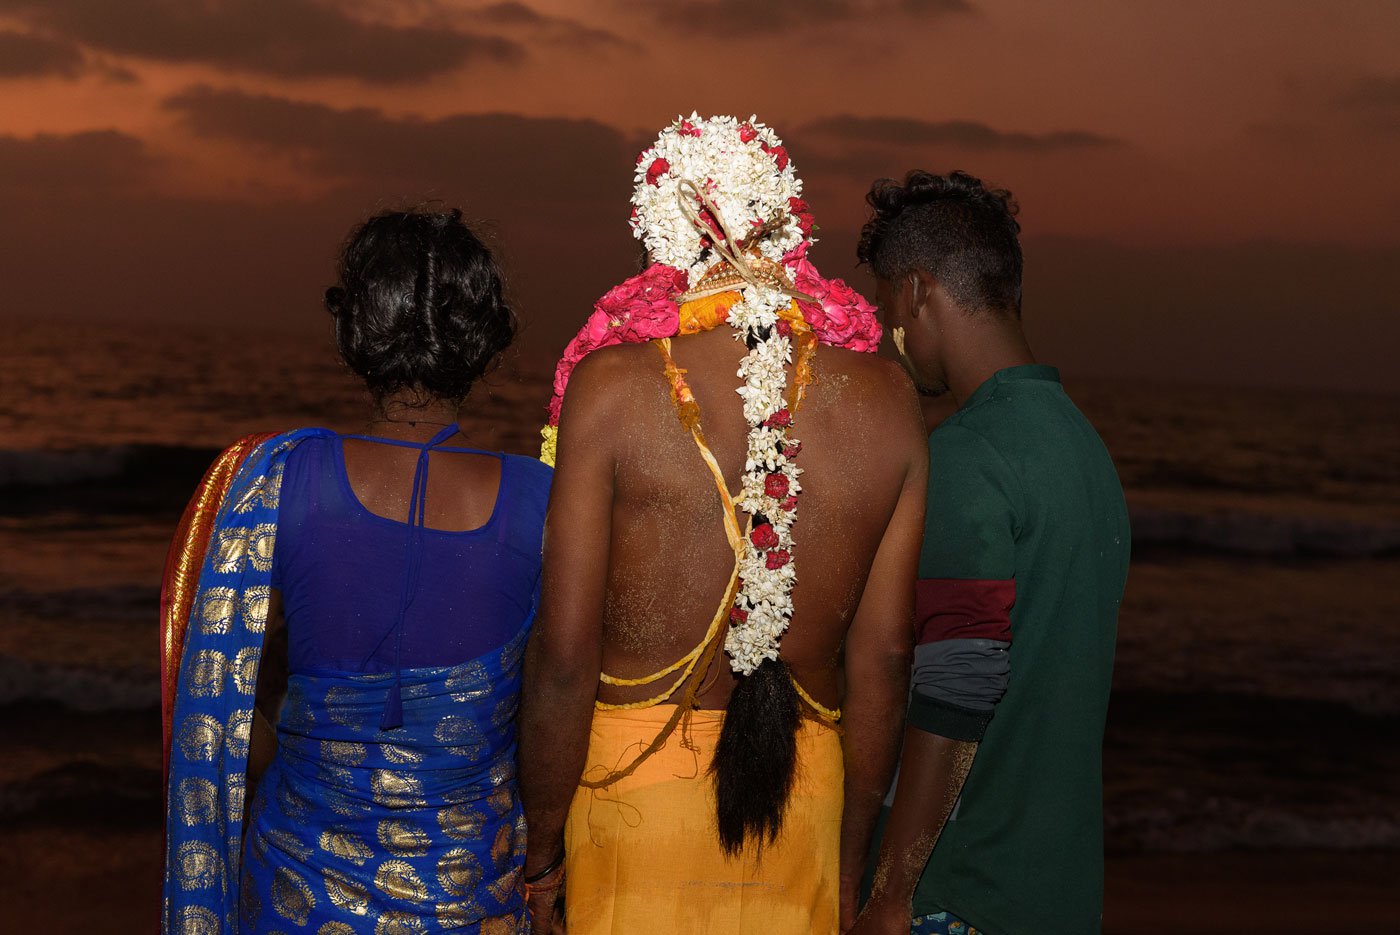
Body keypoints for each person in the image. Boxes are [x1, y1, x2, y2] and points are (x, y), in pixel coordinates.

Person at [518, 114, 928, 935]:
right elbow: (883, 659)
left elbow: (565, 660)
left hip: (629, 798)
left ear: (663, 231)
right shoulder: (891, 403)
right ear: (786, 227)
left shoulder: (611, 389)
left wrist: (541, 860)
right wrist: (849, 871)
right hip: (801, 804)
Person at [160, 208, 549, 934]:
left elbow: (234, 698)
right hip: (468, 903)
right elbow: (555, 703)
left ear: (353, 334)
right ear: (487, 340)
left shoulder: (280, 477)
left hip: (294, 891)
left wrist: (326, 767)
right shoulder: (544, 498)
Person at [850, 171, 1131, 935]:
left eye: (885, 310)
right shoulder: (1084, 450)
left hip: (962, 895)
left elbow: (958, 684)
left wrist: (891, 892)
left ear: (914, 294)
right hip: (1061, 895)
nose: (886, 337)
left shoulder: (972, 454)